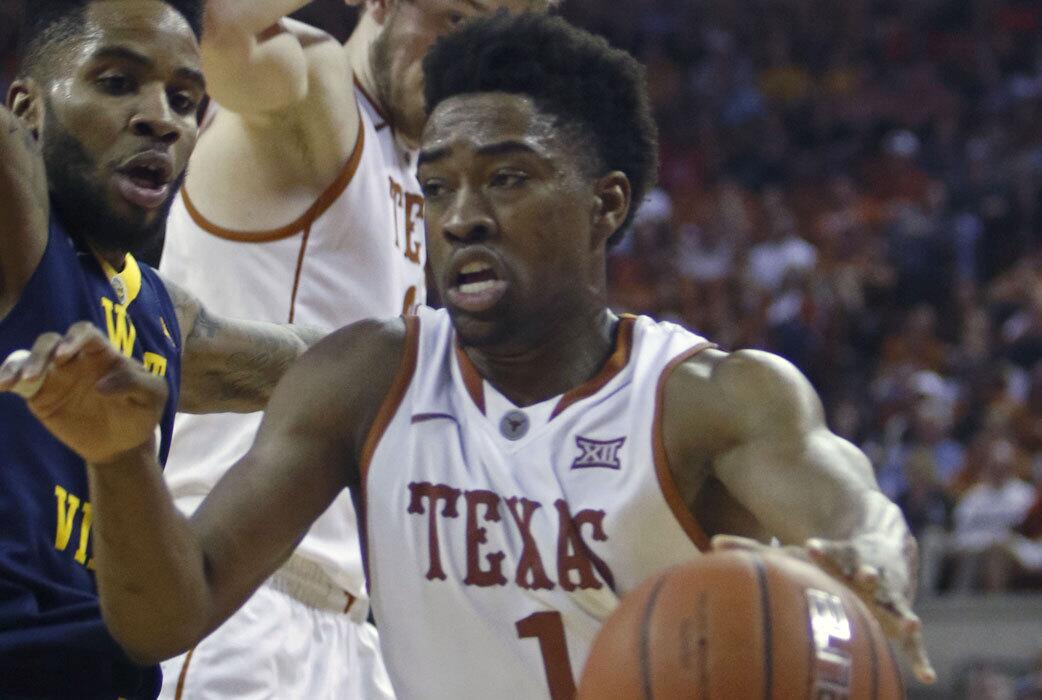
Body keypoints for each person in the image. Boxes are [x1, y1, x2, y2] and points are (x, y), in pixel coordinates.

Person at [2, 14, 936, 698]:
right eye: (438, 185)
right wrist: (121, 456)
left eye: (507, 179)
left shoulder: (707, 398)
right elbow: (171, 611)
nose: (462, 216)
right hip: (270, 636)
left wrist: (872, 558)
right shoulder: (367, 376)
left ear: (606, 205)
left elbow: (851, 506)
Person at [156, 0, 555, 696]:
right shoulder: (318, 87)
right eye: (455, 20)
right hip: (237, 595)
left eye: (492, 39)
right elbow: (215, 29)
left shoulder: (414, 173)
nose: (465, 58)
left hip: (349, 627)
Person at [0, 1, 327, 697]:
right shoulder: (17, 226)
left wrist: (451, 349)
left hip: (87, 667)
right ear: (27, 107)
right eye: (116, 82)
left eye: (185, 99)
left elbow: (323, 364)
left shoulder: (160, 315)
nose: (163, 118)